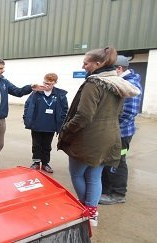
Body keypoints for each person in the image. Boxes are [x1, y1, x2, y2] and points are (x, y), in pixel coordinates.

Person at [57, 47, 140, 227]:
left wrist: (66, 130)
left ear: (98, 64)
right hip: (109, 136)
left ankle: (85, 208)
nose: (83, 66)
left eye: (86, 63)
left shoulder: (94, 84)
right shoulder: (118, 83)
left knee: (77, 173)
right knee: (94, 176)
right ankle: (93, 213)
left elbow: (84, 116)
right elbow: (119, 113)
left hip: (88, 139)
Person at [100, 55, 143, 205]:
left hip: (121, 133)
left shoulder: (130, 84)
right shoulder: (120, 82)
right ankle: (106, 190)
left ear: (119, 69)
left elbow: (129, 112)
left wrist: (111, 127)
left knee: (117, 162)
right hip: (112, 131)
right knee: (107, 161)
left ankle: (118, 193)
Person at [23, 73, 68, 173]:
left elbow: (65, 109)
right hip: (37, 124)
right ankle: (36, 162)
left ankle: (45, 163)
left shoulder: (60, 95)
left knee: (47, 145)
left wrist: (61, 121)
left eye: (50, 84)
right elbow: (27, 105)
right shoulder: (36, 93)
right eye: (45, 83)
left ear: (55, 83)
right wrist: (26, 117)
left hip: (51, 125)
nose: (46, 85)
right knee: (36, 145)